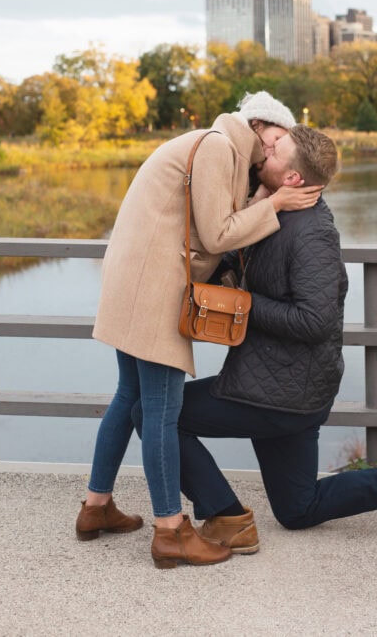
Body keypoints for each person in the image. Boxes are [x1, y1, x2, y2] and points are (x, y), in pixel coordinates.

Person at [169, 125, 377, 553]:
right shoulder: (279, 211)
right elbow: (230, 251)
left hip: (277, 394)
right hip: (287, 386)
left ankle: (226, 517)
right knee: (297, 510)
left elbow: (314, 320)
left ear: (293, 178)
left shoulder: (312, 233)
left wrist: (242, 301)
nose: (265, 147)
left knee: (158, 417)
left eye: (275, 147)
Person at [75, 92, 323, 569]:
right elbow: (216, 235)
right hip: (154, 287)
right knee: (162, 412)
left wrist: (258, 199)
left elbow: (218, 218)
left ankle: (96, 506)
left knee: (129, 396)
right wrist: (278, 204)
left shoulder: (221, 148)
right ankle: (170, 531)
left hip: (137, 278)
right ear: (257, 125)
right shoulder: (217, 148)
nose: (274, 151)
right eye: (274, 139)